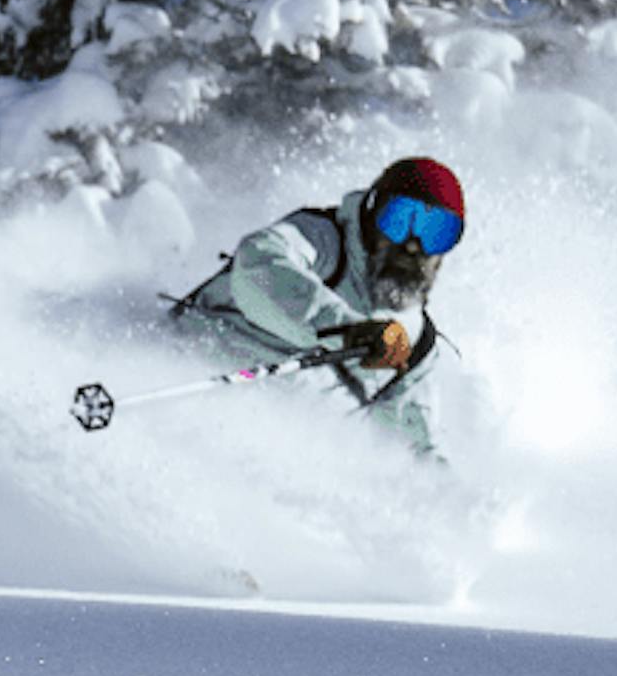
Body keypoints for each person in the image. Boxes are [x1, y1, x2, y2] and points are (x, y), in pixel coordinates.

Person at [166, 155, 464, 458]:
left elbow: (413, 446)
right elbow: (257, 262)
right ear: (373, 211)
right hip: (186, 377)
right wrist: (346, 330)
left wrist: (440, 491)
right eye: (400, 220)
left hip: (268, 450)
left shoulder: (416, 342)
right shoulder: (323, 241)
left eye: (438, 232)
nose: (413, 246)